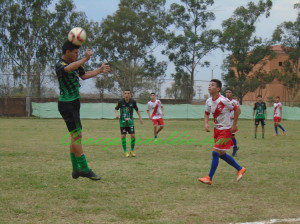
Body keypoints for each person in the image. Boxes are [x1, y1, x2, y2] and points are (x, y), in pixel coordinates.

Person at [56, 40, 110, 180]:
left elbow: (84, 75)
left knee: (75, 136)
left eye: (78, 53)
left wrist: (99, 70)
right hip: (66, 104)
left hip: (74, 103)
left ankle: (75, 169)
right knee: (77, 136)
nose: (77, 55)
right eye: (75, 53)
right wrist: (85, 58)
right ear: (67, 52)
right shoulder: (60, 64)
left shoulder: (75, 63)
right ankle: (84, 168)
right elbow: (68, 69)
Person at [198, 79, 246, 185]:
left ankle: (209, 177)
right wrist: (206, 123)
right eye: (209, 85)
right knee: (222, 154)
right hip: (217, 130)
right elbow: (206, 113)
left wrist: (234, 124)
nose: (209, 86)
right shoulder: (209, 101)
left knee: (215, 152)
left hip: (226, 130)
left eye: (212, 85)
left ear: (218, 89)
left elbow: (237, 110)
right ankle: (240, 168)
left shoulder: (224, 100)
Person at [115, 89, 143, 157]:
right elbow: (116, 109)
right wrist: (117, 113)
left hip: (130, 122)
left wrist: (140, 118)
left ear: (130, 94)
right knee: (123, 136)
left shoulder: (133, 101)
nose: (127, 94)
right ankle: (125, 151)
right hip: (123, 122)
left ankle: (132, 150)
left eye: (128, 93)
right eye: (125, 93)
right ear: (123, 94)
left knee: (133, 135)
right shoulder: (120, 101)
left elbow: (137, 109)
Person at [225, 88, 240, 157]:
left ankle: (234, 151)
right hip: (224, 122)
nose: (228, 93)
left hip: (232, 122)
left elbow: (239, 111)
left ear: (232, 94)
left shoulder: (235, 102)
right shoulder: (223, 101)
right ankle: (222, 150)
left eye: (229, 92)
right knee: (225, 136)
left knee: (232, 136)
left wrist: (235, 116)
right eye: (227, 92)